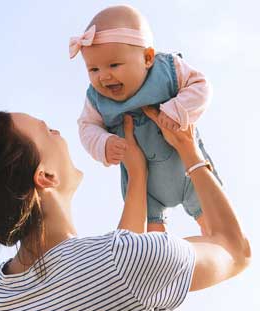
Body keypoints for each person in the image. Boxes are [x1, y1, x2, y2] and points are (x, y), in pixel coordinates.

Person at [0, 107, 251, 311]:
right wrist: (188, 150)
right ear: (45, 176)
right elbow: (235, 251)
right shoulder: (124, 261)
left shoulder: (4, 294)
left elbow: (115, 277)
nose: (59, 133)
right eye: (48, 131)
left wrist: (138, 177)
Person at [73, 5, 222, 233]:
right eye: (93, 69)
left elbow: (201, 86)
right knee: (151, 243)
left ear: (147, 57)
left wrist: (177, 109)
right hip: (146, 187)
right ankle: (159, 259)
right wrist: (103, 143)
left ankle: (217, 244)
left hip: (189, 170)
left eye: (114, 65)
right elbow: (87, 127)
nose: (103, 76)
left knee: (215, 227)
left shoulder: (167, 70)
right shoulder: (96, 100)